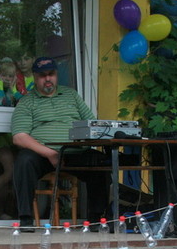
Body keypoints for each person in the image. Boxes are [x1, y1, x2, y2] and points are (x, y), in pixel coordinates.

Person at [11, 56, 110, 231]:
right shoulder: (27, 101)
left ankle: (95, 220)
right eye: (43, 75)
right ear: (35, 77)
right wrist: (50, 154)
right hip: (43, 155)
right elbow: (19, 136)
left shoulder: (71, 95)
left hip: (76, 153)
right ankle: (26, 219)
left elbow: (93, 124)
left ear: (56, 75)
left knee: (101, 162)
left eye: (51, 74)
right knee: (24, 161)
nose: (48, 79)